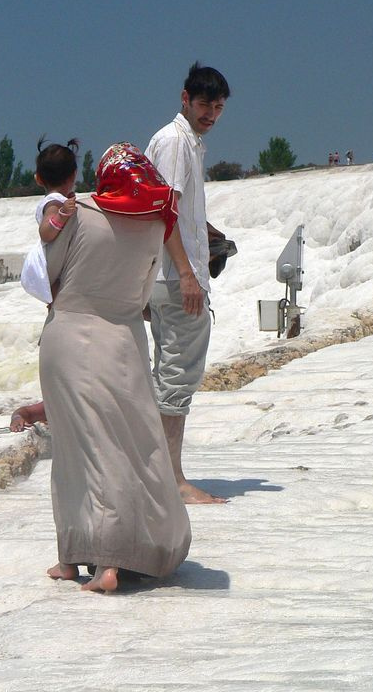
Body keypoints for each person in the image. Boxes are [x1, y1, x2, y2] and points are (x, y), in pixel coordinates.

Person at [40, 142, 190, 592]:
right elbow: (144, 295)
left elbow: (48, 274)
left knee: (74, 450)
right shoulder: (153, 225)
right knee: (125, 446)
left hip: (69, 337)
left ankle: (83, 560)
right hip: (123, 341)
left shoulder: (78, 211)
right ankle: (116, 553)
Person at [145, 62, 230, 505]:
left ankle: (159, 475)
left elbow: (176, 211)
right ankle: (170, 481)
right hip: (177, 281)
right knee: (177, 378)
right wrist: (187, 274)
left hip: (166, 277)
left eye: (217, 107)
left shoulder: (182, 141)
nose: (211, 114)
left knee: (166, 376)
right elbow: (164, 213)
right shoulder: (177, 142)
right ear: (184, 99)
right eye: (203, 104)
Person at [20, 139, 79, 304]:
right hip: (49, 258)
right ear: (74, 174)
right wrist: (62, 214)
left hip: (57, 256)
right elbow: (46, 233)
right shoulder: (53, 202)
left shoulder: (60, 200)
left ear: (38, 178)